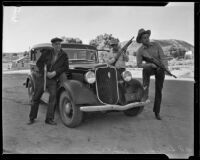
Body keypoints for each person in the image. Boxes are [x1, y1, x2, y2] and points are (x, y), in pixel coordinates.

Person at [28, 37, 69, 125]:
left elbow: (66, 67)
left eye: (59, 44)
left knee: (53, 98)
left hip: (53, 79)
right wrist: (45, 72)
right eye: (56, 44)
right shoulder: (47, 53)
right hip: (43, 78)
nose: (58, 46)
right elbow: (39, 63)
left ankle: (49, 119)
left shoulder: (64, 55)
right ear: (53, 45)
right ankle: (32, 118)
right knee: (36, 97)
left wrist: (55, 72)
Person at [136, 28, 168, 120]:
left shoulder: (156, 45)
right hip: (150, 68)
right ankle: (145, 93)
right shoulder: (140, 51)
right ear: (141, 40)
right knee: (145, 70)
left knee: (159, 90)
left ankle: (157, 112)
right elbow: (139, 64)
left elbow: (163, 57)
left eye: (147, 37)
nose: (147, 39)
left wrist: (165, 68)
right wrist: (150, 64)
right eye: (144, 38)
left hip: (160, 68)